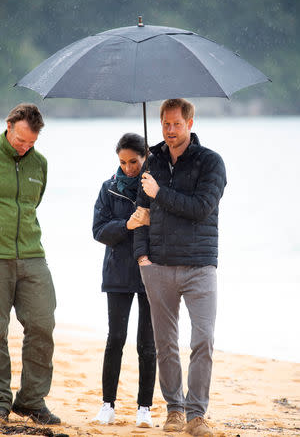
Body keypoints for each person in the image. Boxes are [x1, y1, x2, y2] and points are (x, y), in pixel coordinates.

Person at [134, 99, 227, 436]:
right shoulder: (152, 161)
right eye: (164, 124)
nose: (169, 131)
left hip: (200, 265)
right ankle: (174, 410)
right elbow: (140, 214)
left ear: (190, 122)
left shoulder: (211, 162)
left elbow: (201, 208)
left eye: (175, 124)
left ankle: (196, 414)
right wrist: (142, 257)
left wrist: (159, 192)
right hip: (157, 266)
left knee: (203, 339)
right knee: (165, 343)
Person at [0, 103, 60, 425]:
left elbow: (34, 204)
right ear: (9, 126)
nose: (24, 147)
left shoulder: (40, 164)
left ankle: (32, 401)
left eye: (31, 143)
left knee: (42, 325)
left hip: (32, 254)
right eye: (20, 140)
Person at [92, 133, 156, 428]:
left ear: (145, 158)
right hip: (117, 273)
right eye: (123, 162)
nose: (128, 167)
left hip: (150, 272)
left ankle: (144, 408)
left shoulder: (156, 187)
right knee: (115, 338)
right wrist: (128, 224)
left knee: (147, 344)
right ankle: (108, 405)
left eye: (134, 161)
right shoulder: (108, 189)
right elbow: (99, 230)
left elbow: (171, 229)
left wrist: (152, 217)